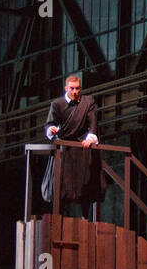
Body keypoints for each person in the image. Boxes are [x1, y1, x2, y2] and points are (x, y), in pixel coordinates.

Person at [40, 74, 102, 217]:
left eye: (78, 88)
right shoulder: (57, 104)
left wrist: (91, 137)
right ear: (66, 88)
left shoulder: (88, 102)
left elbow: (93, 121)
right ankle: (58, 218)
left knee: (85, 182)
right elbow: (50, 124)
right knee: (62, 184)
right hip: (64, 149)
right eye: (72, 89)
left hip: (82, 147)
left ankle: (86, 218)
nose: (75, 92)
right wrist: (52, 130)